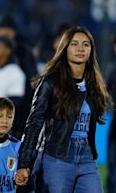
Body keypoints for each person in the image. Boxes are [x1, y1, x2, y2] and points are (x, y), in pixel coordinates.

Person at [15, 27, 111, 192]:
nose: (80, 48)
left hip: (87, 157)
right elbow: (34, 123)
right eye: (74, 44)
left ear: (91, 50)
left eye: (85, 44)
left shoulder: (93, 85)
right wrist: (23, 164)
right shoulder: (49, 82)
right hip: (56, 156)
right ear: (64, 48)